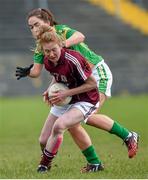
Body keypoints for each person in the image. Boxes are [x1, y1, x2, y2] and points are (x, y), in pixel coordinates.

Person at [16, 8, 139, 171]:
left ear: (48, 21)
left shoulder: (60, 32)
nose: (34, 29)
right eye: (30, 27)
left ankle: (128, 135)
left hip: (96, 74)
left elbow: (80, 36)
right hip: (74, 81)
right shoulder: (42, 46)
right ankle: (94, 163)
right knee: (72, 122)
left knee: (87, 115)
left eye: (36, 24)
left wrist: (62, 45)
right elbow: (38, 71)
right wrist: (29, 73)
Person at [34, 26, 104, 172]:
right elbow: (57, 76)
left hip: (86, 98)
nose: (51, 54)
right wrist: (50, 90)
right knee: (43, 140)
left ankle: (43, 166)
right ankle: (50, 158)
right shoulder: (48, 61)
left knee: (60, 126)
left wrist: (65, 94)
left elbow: (92, 84)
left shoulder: (73, 60)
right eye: (47, 51)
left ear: (60, 45)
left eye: (54, 49)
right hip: (67, 97)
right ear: (43, 51)